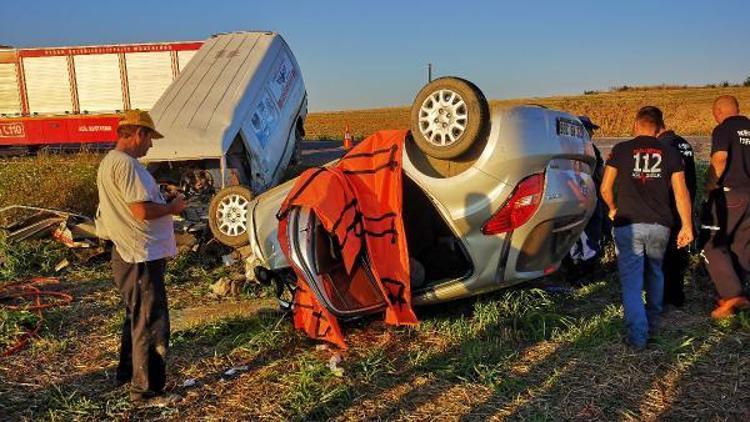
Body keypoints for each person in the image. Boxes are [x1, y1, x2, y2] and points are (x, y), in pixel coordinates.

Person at [95, 110, 185, 403]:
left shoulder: (111, 162)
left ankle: (127, 374)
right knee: (150, 320)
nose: (151, 145)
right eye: (150, 138)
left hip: (127, 252)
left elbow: (137, 203)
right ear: (139, 134)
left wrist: (162, 197)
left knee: (136, 316)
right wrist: (172, 209)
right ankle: (146, 390)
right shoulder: (128, 166)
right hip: (139, 254)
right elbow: (141, 211)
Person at [600, 106, 693, 349]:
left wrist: (611, 208)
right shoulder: (671, 153)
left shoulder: (621, 150)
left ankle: (638, 337)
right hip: (660, 225)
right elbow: (681, 194)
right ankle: (652, 325)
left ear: (636, 124)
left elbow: (605, 188)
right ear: (659, 125)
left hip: (628, 224)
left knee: (631, 282)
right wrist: (687, 226)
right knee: (655, 274)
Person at [702, 95, 750, 318]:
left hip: (731, 194)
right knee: (742, 245)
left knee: (711, 244)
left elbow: (719, 160)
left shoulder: (723, 129)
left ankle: (732, 295)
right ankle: (739, 296)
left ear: (719, 112)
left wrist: (711, 188)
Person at [657, 116, 697, 307]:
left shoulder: (663, 146)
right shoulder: (684, 143)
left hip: (670, 204)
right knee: (678, 252)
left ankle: (665, 297)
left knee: (665, 255)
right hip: (685, 205)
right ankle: (677, 296)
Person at [566, 116, 608, 284]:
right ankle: (586, 270)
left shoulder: (566, 147)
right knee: (589, 232)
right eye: (590, 129)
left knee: (575, 234)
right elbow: (598, 173)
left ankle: (576, 271)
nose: (592, 133)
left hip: (574, 197)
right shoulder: (585, 148)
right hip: (584, 195)